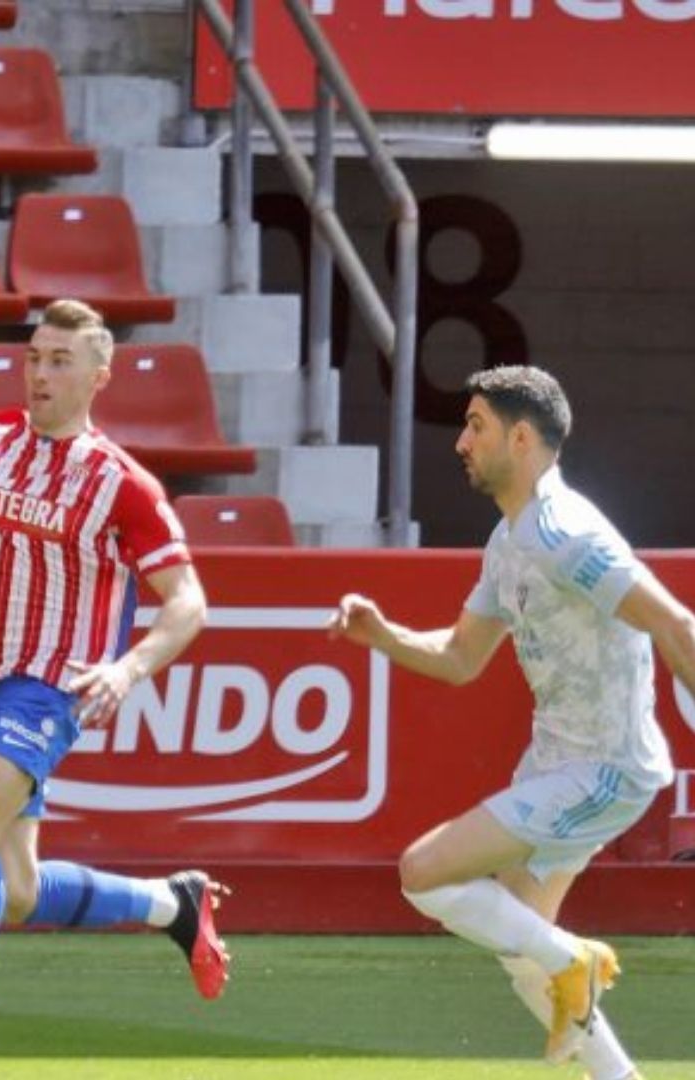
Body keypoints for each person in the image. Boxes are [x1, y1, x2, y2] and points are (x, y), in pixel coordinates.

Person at [0, 300, 230, 1080]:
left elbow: (187, 601)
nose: (41, 373)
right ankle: (175, 905)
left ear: (100, 375)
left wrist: (128, 667)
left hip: (48, 689)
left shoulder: (122, 484)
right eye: (34, 357)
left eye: (60, 360)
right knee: (16, 891)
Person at [328, 365, 695, 1080]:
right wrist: (383, 635)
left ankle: (576, 960)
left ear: (521, 438)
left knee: (423, 871)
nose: (461, 441)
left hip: (604, 770)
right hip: (557, 764)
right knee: (521, 951)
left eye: (476, 426)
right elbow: (462, 657)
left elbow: (674, 623)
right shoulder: (510, 542)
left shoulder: (566, 534)